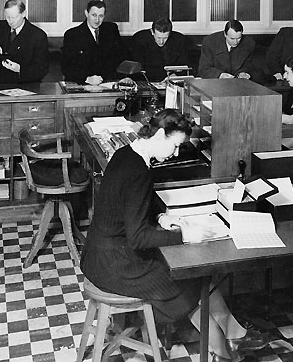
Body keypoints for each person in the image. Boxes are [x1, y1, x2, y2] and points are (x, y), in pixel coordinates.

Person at [80, 109, 271, 361]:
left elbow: (129, 203)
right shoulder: (138, 171)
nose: (176, 153)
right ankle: (223, 353)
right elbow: (138, 238)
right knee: (186, 279)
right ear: (160, 134)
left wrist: (160, 216)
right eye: (175, 145)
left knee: (196, 277)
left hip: (98, 255)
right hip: (113, 264)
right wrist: (185, 236)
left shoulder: (126, 154)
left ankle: (234, 334)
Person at [0, 0, 49, 85]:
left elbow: (42, 70)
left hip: (23, 86)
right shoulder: (0, 27)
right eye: (7, 17)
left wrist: (20, 69)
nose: (10, 21)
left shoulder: (38, 35)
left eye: (14, 17)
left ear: (24, 14)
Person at [61, 0, 123, 85]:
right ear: (86, 13)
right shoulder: (73, 34)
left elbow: (121, 56)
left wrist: (124, 77)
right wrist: (86, 79)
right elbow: (66, 67)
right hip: (83, 84)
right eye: (94, 15)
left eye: (101, 16)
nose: (97, 20)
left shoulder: (111, 29)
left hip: (108, 83)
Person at [131, 17, 190, 81]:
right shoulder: (140, 39)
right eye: (158, 38)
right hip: (145, 80)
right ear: (152, 32)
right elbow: (136, 67)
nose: (161, 42)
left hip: (170, 81)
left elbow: (184, 65)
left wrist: (175, 75)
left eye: (165, 38)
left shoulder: (179, 40)